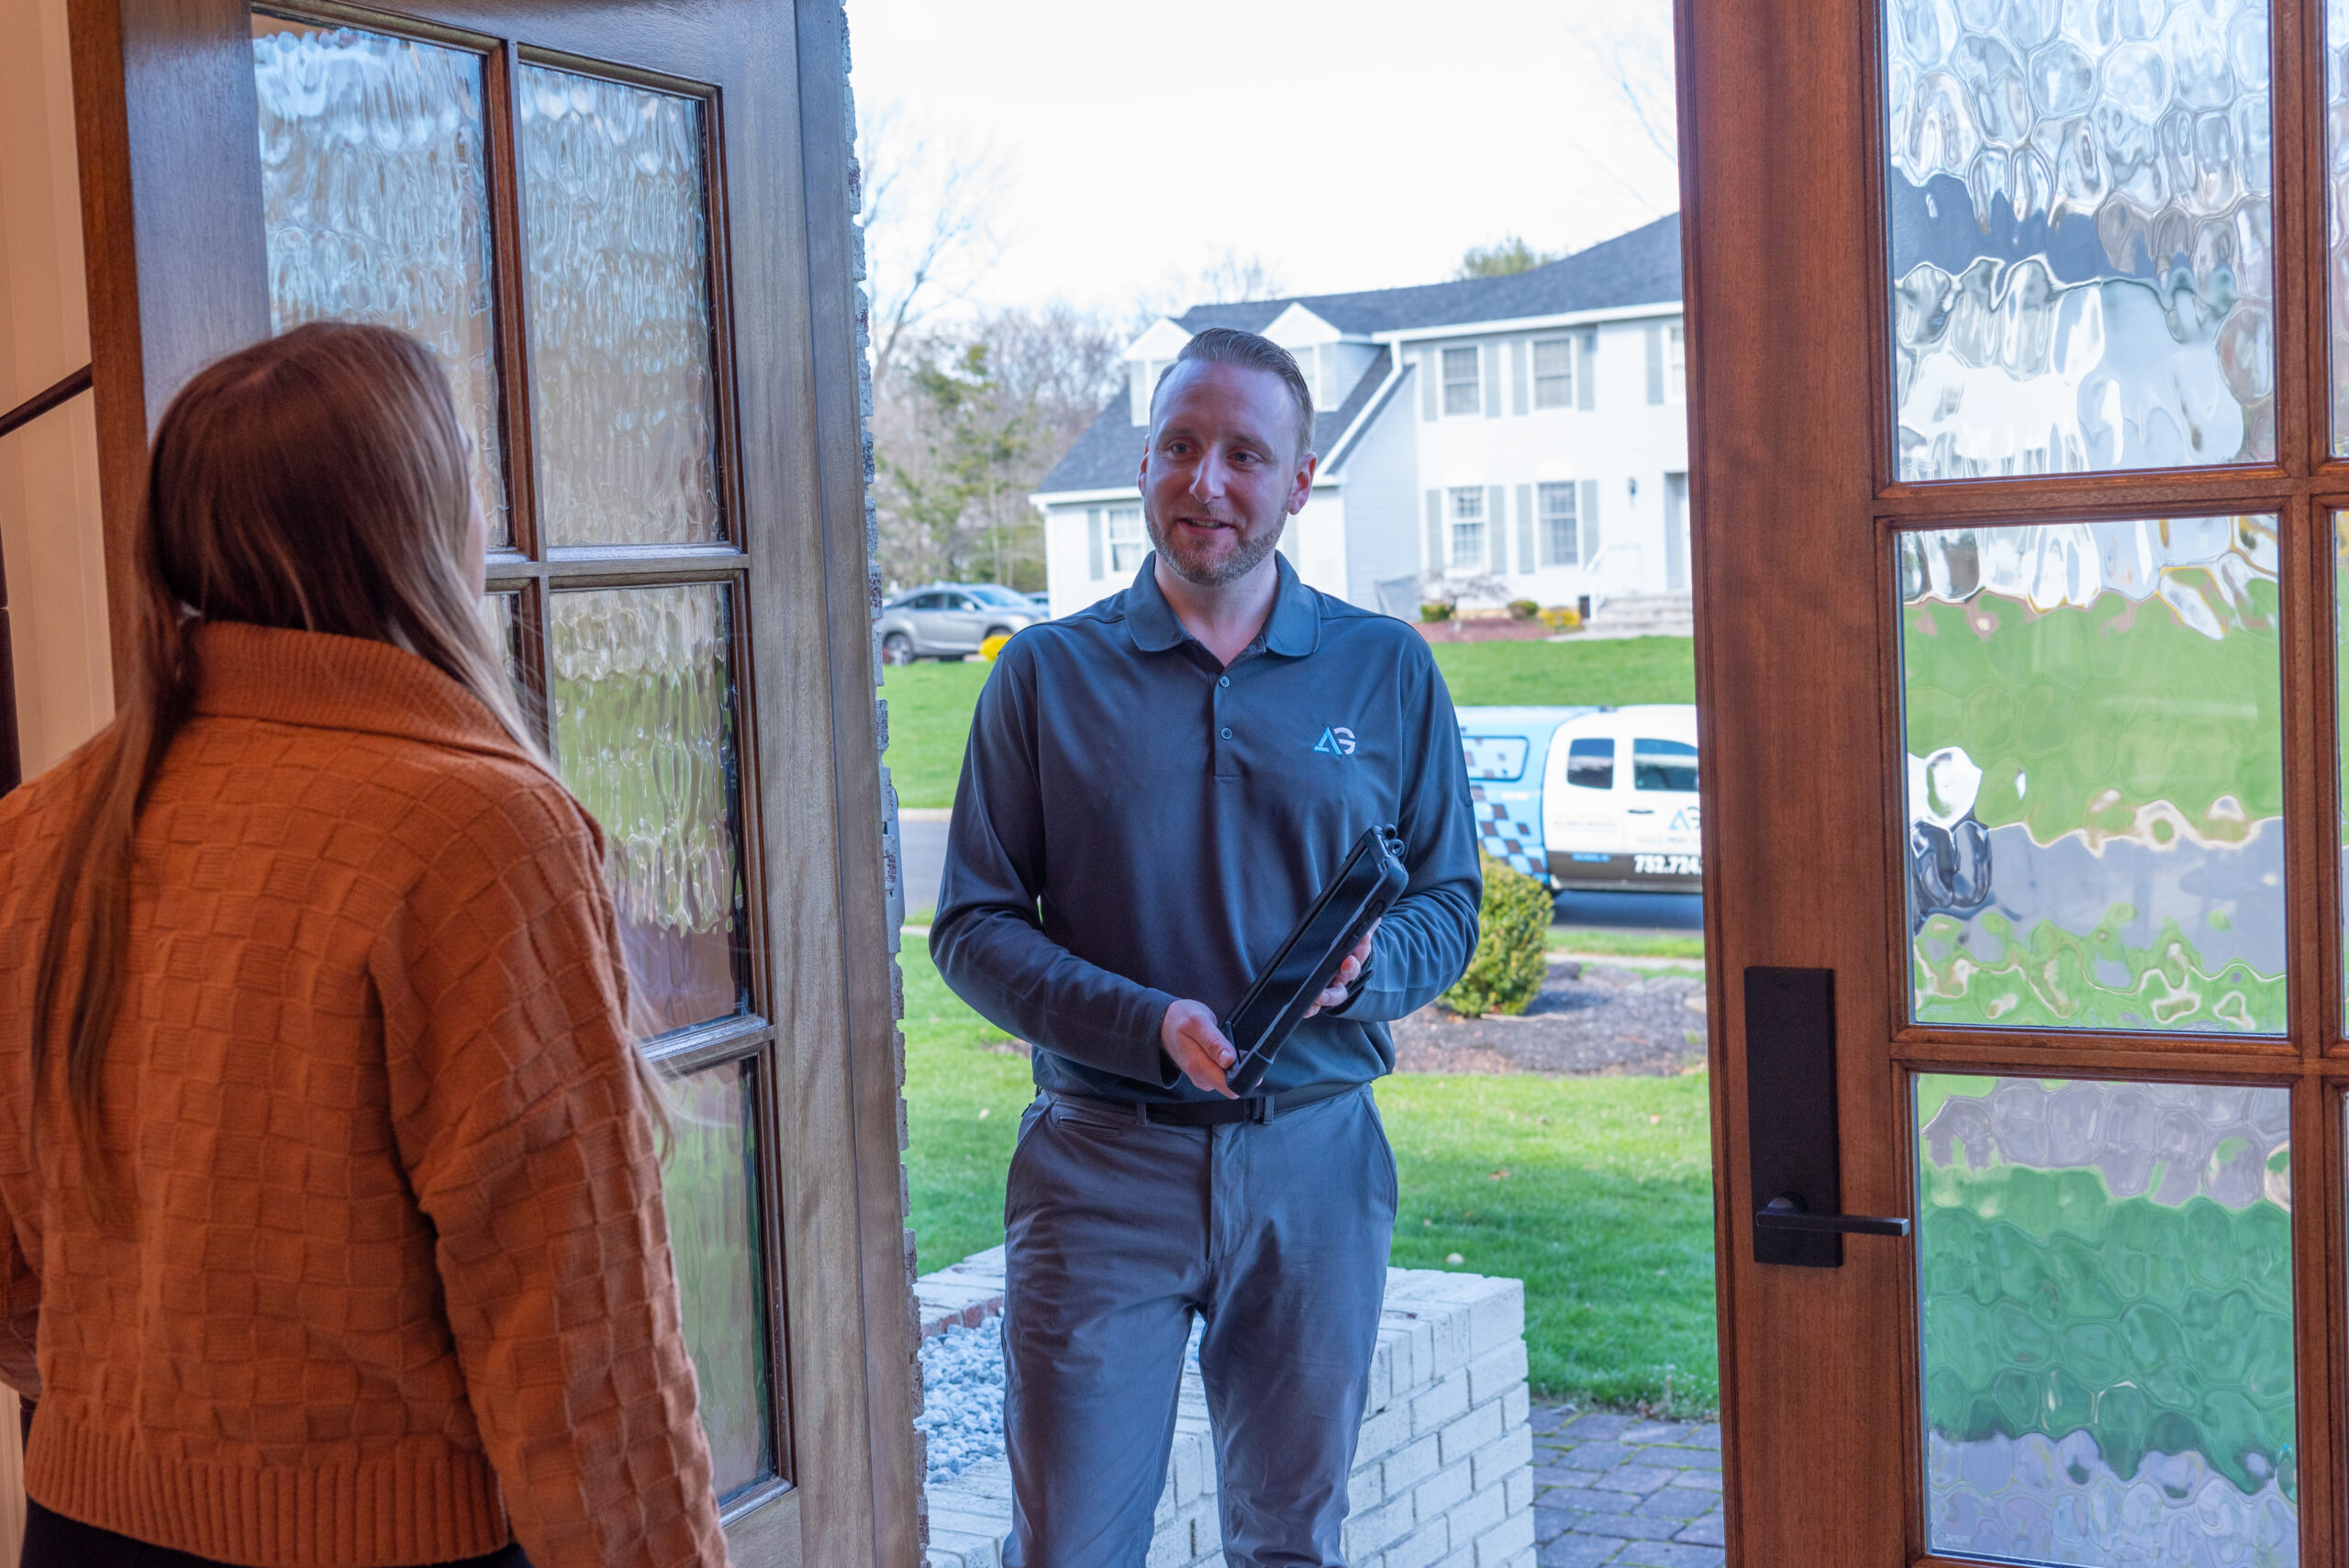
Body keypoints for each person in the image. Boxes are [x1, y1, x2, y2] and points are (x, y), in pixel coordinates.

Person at [0, 323, 728, 1568]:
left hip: (83, 1526)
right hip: (390, 1546)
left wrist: (142, 1420)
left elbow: (19, 1271)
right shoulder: (477, 831)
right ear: (418, 522)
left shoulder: (43, 823)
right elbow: (578, 1341)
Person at [932, 327, 1481, 1566]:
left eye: (1245, 453)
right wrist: (1146, 1023)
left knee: (1291, 1541)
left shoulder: (1384, 668)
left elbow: (1450, 900)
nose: (1208, 481)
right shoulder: (1044, 679)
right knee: (1070, 1545)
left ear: (1299, 480)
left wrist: (1370, 968)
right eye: (1180, 447)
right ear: (1141, 465)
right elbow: (970, 928)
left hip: (1316, 1170)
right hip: (1099, 1173)